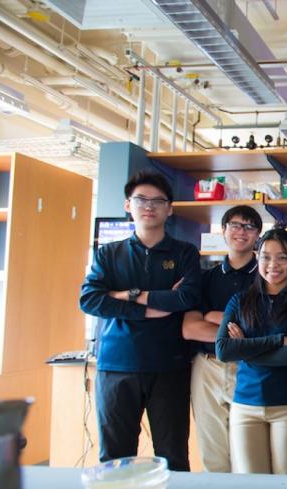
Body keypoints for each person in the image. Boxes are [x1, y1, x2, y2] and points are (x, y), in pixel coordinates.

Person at [80, 169, 201, 471]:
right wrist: (146, 305)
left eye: (158, 201)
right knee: (115, 458)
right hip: (117, 365)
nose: (149, 206)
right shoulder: (109, 254)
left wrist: (123, 295)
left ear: (169, 209)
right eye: (141, 200)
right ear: (128, 205)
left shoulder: (184, 253)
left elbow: (185, 298)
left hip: (169, 366)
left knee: (173, 457)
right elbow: (90, 300)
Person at [215, 229, 287, 474]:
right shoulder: (240, 300)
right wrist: (278, 340)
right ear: (257, 257)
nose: (273, 265)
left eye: (282, 257)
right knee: (250, 482)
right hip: (246, 404)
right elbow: (223, 350)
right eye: (266, 257)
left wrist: (245, 349)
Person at [182, 205, 261, 472]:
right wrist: (238, 329)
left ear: (257, 235)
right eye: (235, 225)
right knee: (213, 454)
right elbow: (190, 328)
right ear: (223, 230)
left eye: (249, 227)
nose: (242, 232)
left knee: (250, 457)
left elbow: (266, 328)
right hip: (208, 367)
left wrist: (213, 316)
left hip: (250, 368)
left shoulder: (267, 277)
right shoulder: (205, 278)